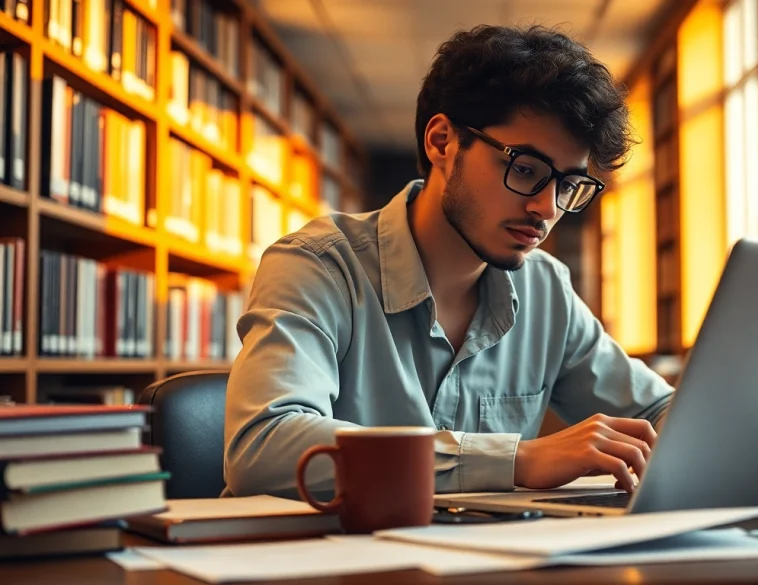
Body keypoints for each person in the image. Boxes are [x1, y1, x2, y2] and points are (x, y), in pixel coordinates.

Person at [223, 24, 675, 500]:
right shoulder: (318, 266)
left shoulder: (546, 288)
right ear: (442, 142)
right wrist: (517, 459)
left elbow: (659, 411)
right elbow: (263, 447)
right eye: (525, 169)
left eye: (567, 185)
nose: (547, 207)